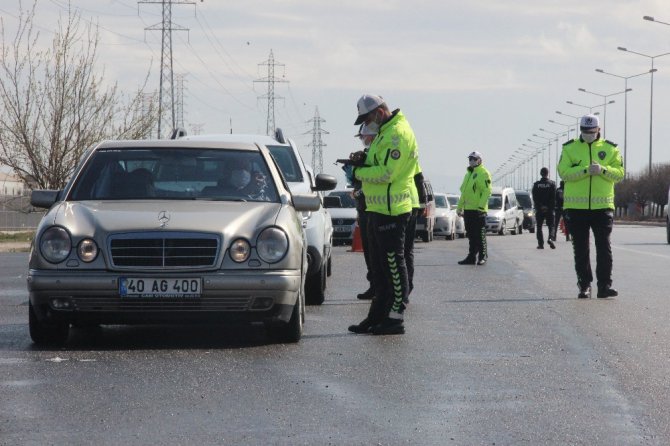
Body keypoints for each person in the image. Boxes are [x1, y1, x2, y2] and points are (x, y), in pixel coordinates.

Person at [347, 94, 419, 335]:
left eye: (368, 118)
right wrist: (363, 160)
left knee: (393, 266)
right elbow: (375, 162)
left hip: (393, 210)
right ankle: (377, 315)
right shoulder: (385, 133)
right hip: (377, 208)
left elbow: (387, 172)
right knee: (378, 269)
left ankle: (395, 317)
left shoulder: (397, 134)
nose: (368, 123)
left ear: (379, 112)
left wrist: (359, 173)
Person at [558, 114, 624, 299]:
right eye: (585, 132)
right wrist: (585, 171)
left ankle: (604, 286)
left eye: (592, 132)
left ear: (599, 130)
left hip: (602, 207)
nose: (588, 134)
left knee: (604, 247)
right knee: (580, 248)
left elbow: (619, 174)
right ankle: (584, 285)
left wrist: (603, 170)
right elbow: (564, 172)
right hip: (576, 208)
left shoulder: (611, 149)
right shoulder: (570, 148)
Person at [350, 123, 377, 300]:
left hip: (375, 207)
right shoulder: (368, 153)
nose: (362, 141)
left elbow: (374, 179)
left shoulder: (377, 153)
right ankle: (374, 285)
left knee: (376, 252)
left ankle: (379, 287)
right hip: (365, 208)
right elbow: (355, 180)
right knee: (369, 251)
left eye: (364, 137)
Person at [456, 151, 492, 265]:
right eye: (470, 159)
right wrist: (459, 207)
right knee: (471, 235)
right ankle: (471, 257)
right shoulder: (468, 174)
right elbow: (464, 193)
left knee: (480, 234)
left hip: (478, 210)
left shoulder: (483, 173)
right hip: (468, 210)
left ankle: (483, 256)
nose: (471, 161)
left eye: (474, 159)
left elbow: (487, 191)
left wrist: (481, 207)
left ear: (480, 160)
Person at [531, 167, 556, 249]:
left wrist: (541, 206)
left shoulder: (536, 184)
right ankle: (550, 239)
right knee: (551, 226)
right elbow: (553, 198)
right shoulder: (552, 184)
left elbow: (535, 198)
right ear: (547, 173)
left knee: (539, 227)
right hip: (549, 209)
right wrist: (548, 207)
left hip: (539, 209)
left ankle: (541, 244)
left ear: (540, 174)